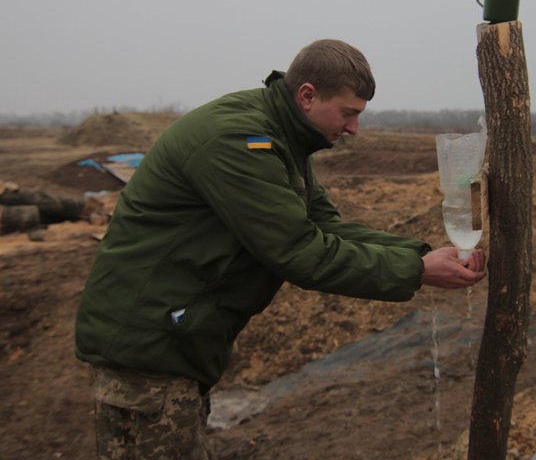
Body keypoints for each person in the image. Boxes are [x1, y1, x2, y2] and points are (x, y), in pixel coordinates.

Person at [74, 39, 486, 459]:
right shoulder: (239, 141)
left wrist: (419, 253)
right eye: (348, 113)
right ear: (307, 95)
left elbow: (325, 226)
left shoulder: (283, 137)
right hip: (147, 350)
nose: (354, 129)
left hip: (174, 343)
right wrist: (416, 270)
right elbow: (298, 251)